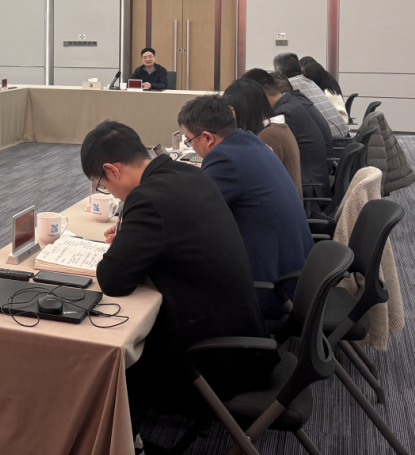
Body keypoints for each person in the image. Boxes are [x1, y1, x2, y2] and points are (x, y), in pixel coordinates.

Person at [87, 121, 277, 422]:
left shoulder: (147, 198)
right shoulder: (188, 173)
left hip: (210, 361)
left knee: (103, 363)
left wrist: (125, 244)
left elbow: (113, 281)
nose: (108, 191)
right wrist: (132, 236)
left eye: (102, 184)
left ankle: (126, 435)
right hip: (243, 337)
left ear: (111, 170)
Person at [177, 96, 313, 320]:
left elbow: (192, 217)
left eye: (190, 141)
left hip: (272, 289)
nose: (191, 146)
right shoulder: (251, 142)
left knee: (177, 279)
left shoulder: (223, 158)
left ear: (207, 138)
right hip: (297, 276)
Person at [242, 68, 331, 205]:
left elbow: (263, 152)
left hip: (308, 192)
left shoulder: (283, 114)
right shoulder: (291, 103)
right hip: (310, 183)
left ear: (259, 94)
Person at [223, 78, 302, 199]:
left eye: (230, 111)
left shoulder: (268, 137)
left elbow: (249, 182)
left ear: (243, 109)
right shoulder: (277, 127)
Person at [273, 52, 348, 139]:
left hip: (330, 141)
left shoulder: (287, 86)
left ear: (279, 73)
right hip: (345, 136)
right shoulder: (311, 82)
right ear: (300, 68)